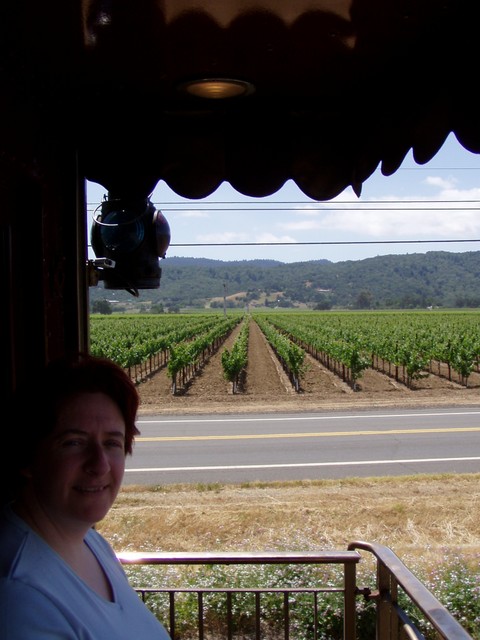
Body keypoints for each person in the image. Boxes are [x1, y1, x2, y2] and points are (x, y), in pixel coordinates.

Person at [0, 353, 171, 639]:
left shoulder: (90, 542)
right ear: (27, 456)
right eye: (74, 442)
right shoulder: (19, 599)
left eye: (112, 443)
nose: (100, 465)